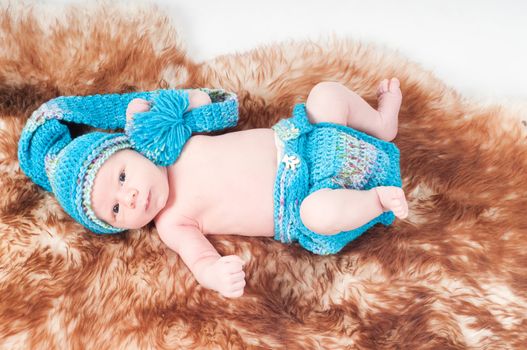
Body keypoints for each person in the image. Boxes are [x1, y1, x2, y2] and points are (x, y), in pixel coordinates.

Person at [18, 79, 408, 298]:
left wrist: (162, 108)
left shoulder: (174, 142)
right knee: (320, 216)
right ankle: (376, 201)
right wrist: (215, 274)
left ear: (132, 148)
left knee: (326, 94)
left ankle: (380, 123)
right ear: (118, 227)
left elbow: (217, 103)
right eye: (116, 210)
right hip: (301, 200)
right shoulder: (172, 222)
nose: (130, 197)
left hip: (308, 141)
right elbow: (199, 259)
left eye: (121, 178)